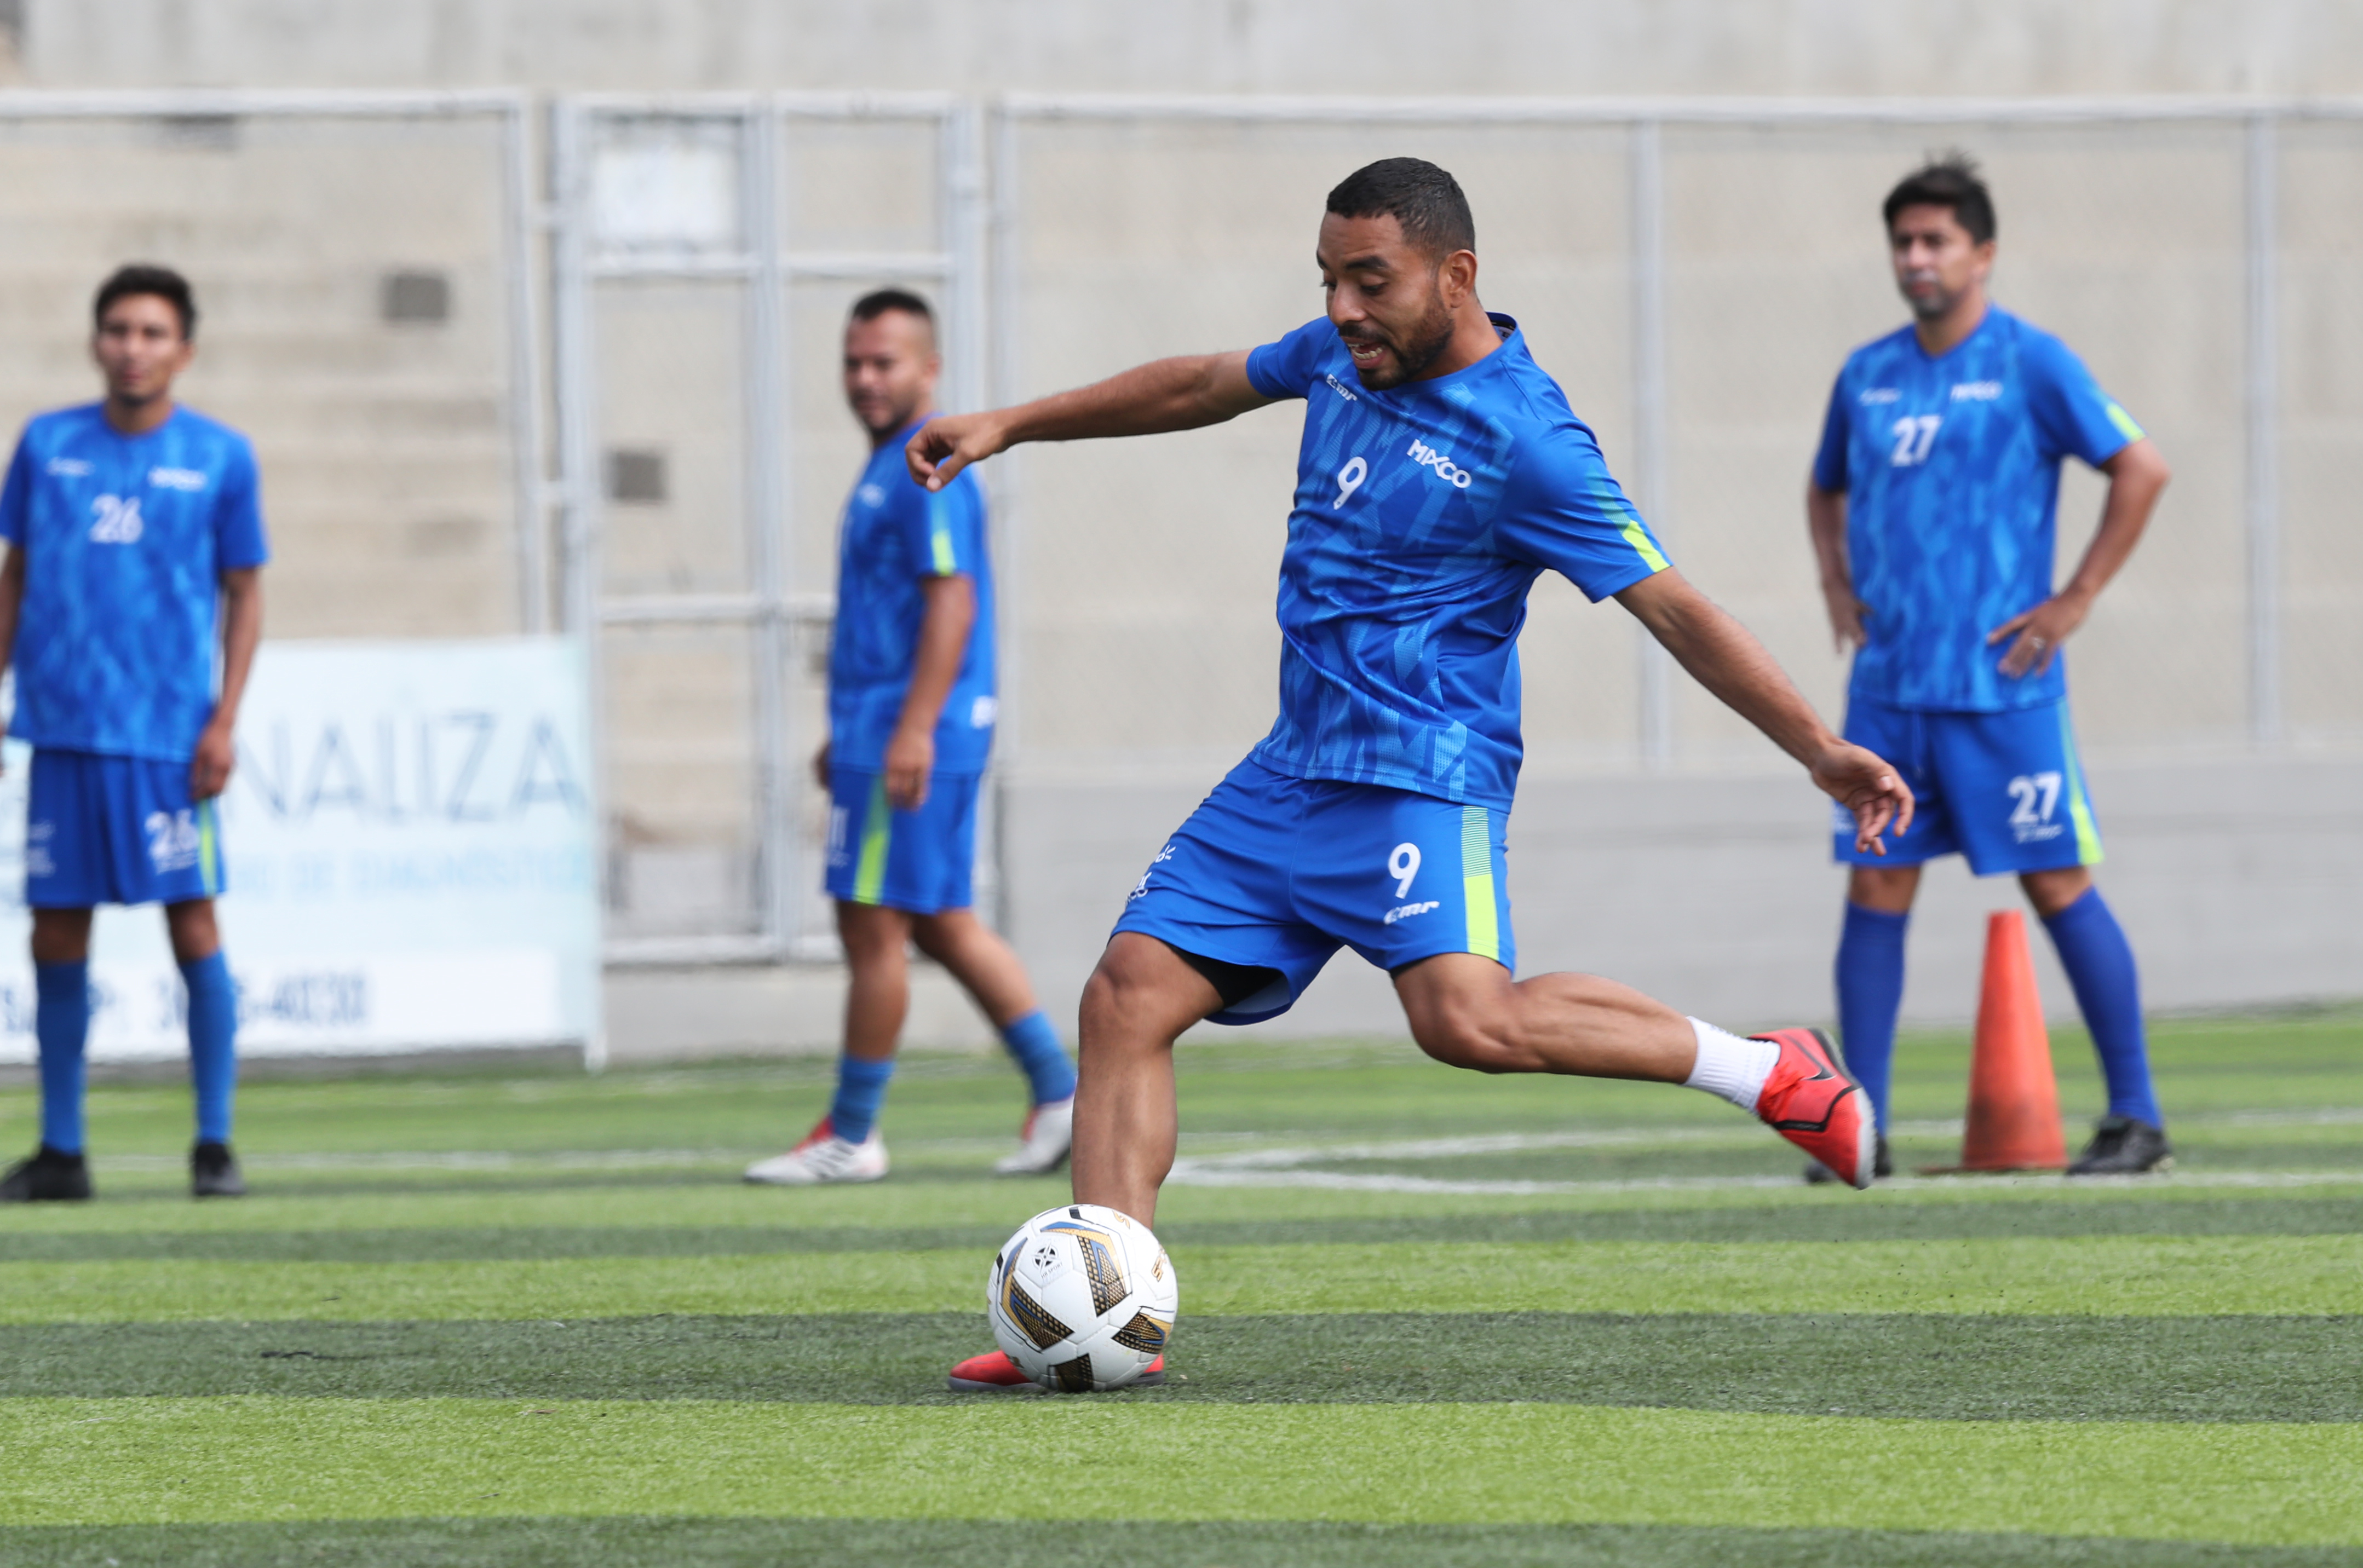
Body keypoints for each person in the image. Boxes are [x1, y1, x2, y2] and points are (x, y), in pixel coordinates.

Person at [908, 158, 1916, 1392]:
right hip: (1291, 768)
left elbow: (1673, 607)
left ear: (1457, 275)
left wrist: (1817, 749)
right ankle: (1105, 1316)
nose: (1339, 307)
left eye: (1367, 280)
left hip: (1419, 774)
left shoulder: (1529, 443)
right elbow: (1199, 384)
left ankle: (1769, 1069)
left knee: (1465, 1021)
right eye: (1327, 280)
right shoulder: (1344, 353)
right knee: (1125, 995)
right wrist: (1012, 423)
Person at [1804, 155, 2174, 1182]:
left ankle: (2137, 1118)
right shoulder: (1866, 373)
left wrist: (2077, 598)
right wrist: (1835, 583)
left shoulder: (2032, 363)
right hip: (1887, 694)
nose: (1917, 260)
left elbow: (2141, 468)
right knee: (1877, 887)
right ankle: (1857, 1127)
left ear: (1983, 254)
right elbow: (1823, 488)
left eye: (1936, 242)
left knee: (2058, 883)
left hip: (2001, 689)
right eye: (1904, 243)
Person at [744, 289, 1078, 1185]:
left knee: (871, 926)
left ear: (928, 369)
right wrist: (846, 731)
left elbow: (951, 599)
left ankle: (852, 1135)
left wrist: (912, 728)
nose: (864, 379)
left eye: (884, 361)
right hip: (884, 725)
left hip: (912, 727)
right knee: (936, 921)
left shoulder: (923, 462)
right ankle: (1060, 1094)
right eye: (854, 362)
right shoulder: (884, 466)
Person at [0, 264, 267, 1202]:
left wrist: (223, 718)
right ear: (95, 341)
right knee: (56, 932)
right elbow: (16, 576)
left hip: (166, 741)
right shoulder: (45, 444)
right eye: (119, 329)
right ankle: (63, 1151)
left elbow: (244, 592)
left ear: (183, 349)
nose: (133, 347)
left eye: (153, 333)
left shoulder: (222, 457)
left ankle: (214, 1144)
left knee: (191, 920)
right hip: (64, 733)